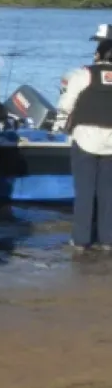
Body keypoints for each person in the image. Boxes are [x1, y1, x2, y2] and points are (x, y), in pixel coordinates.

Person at [58, 39, 112, 251]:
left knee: (85, 191)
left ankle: (81, 240)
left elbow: (66, 104)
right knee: (108, 192)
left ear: (97, 55)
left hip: (85, 137)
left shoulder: (83, 75)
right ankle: (107, 240)